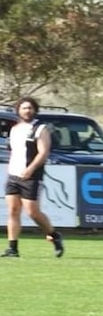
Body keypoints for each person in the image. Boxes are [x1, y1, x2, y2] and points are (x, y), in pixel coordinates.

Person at [2, 97, 64, 258]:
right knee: (13, 210)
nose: (27, 111)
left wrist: (30, 169)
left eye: (30, 108)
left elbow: (43, 152)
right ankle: (12, 248)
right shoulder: (14, 129)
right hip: (14, 175)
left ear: (35, 110)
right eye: (24, 108)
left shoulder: (40, 129)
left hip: (31, 176)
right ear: (18, 110)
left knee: (32, 212)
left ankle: (54, 235)